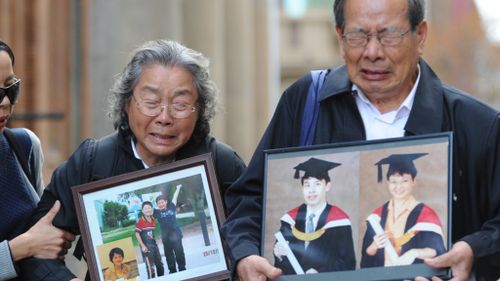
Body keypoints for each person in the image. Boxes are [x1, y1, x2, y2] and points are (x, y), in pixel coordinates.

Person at [221, 0, 500, 280]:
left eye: (389, 35)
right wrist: (244, 255)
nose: (373, 52)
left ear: (421, 36)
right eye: (358, 35)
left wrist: (475, 250)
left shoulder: (476, 126)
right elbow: (249, 200)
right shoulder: (306, 102)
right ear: (340, 38)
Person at [19, 39, 246, 280]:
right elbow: (35, 252)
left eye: (180, 104)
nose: (164, 117)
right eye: (151, 103)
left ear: (199, 109)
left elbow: (255, 241)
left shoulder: (222, 164)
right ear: (127, 103)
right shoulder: (91, 162)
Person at [0, 40, 75, 281]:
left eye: (11, 88)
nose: (5, 102)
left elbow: (42, 234)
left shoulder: (23, 146)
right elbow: (34, 240)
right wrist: (24, 246)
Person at [360, 153, 446, 267]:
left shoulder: (425, 214)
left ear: (414, 181)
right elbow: (366, 255)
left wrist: (414, 253)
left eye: (405, 181)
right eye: (393, 181)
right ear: (388, 183)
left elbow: (437, 250)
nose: (398, 187)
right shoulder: (377, 216)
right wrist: (374, 246)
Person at [273, 157, 355, 275]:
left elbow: (347, 263)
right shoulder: (290, 220)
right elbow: (281, 261)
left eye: (317, 184)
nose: (311, 190)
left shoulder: (339, 221)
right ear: (302, 188)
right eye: (307, 185)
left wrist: (320, 273)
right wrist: (278, 254)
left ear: (327, 186)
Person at [154, 185, 186, 274]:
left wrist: (178, 188)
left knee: (179, 252)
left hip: (176, 235)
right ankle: (172, 270)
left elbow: (175, 197)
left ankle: (182, 268)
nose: (161, 204)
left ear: (166, 202)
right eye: (159, 203)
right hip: (166, 237)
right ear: (157, 205)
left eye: (162, 202)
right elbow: (147, 210)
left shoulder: (171, 207)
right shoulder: (156, 212)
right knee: (169, 255)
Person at [135, 201, 164, 279]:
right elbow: (137, 234)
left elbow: (151, 234)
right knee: (151, 269)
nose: (147, 210)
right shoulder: (140, 221)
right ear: (142, 210)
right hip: (146, 246)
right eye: (145, 208)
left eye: (149, 208)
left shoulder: (153, 219)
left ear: (151, 209)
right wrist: (143, 246)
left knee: (160, 265)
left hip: (154, 245)